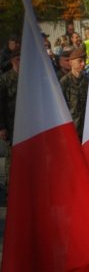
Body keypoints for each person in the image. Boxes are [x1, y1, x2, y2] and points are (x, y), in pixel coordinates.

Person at [0, 50, 20, 192]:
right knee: (11, 159)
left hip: (27, 125)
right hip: (10, 125)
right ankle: (10, 190)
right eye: (18, 59)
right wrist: (1, 127)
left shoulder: (30, 78)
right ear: (13, 60)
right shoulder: (5, 79)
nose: (20, 62)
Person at [60, 47, 89, 140]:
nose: (83, 64)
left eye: (84, 61)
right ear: (71, 62)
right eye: (80, 61)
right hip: (72, 128)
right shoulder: (65, 82)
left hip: (86, 127)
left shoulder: (87, 80)